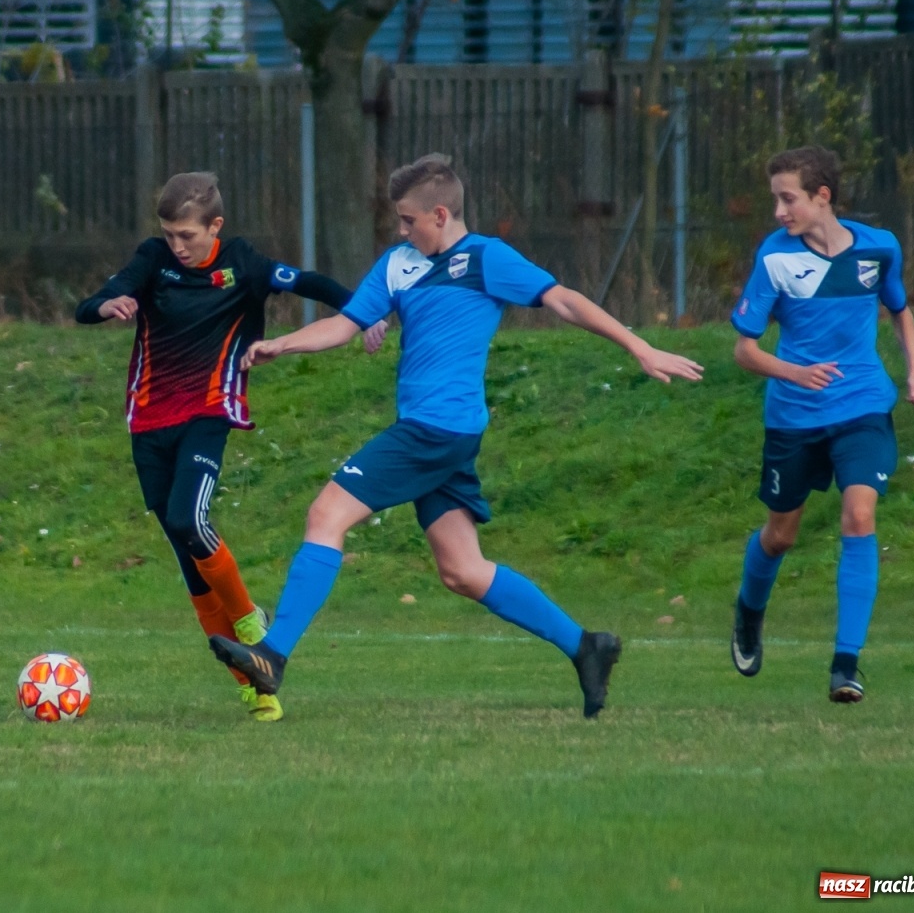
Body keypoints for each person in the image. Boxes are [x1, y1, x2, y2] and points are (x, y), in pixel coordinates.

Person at [209, 154, 704, 718]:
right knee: (463, 571)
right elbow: (345, 325)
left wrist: (639, 346)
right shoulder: (399, 264)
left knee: (326, 514)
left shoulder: (486, 258)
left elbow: (562, 299)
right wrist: (283, 343)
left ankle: (272, 656)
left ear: (439, 214)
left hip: (435, 429)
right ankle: (586, 646)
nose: (400, 230)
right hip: (440, 432)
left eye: (408, 220)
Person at [76, 171, 384, 722]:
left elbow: (310, 282)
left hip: (209, 411)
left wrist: (366, 315)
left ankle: (248, 622)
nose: (177, 245)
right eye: (169, 233)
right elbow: (93, 301)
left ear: (214, 226)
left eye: (187, 235)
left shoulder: (243, 263)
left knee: (191, 521)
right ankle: (255, 686)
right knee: (187, 559)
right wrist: (107, 306)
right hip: (148, 422)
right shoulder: (153, 260)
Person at [728, 145, 914, 703]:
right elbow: (745, 351)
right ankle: (748, 611)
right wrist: (795, 372)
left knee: (859, 516)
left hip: (863, 405)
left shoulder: (878, 247)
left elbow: (900, 310)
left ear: (823, 197)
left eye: (787, 199)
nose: (778, 212)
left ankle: (846, 665)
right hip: (794, 417)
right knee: (780, 534)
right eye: (775, 200)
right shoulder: (774, 257)